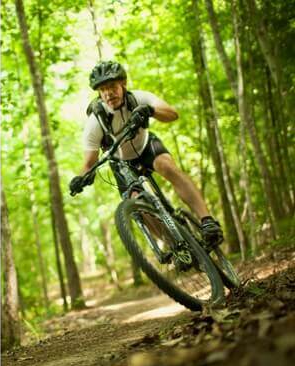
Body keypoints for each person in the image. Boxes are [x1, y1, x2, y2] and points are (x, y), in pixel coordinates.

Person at [69, 61, 223, 247]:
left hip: (146, 146)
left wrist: (150, 110)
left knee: (166, 166)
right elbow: (89, 163)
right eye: (103, 89)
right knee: (136, 202)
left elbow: (172, 114)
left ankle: (207, 221)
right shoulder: (95, 121)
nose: (108, 93)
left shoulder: (139, 98)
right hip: (121, 162)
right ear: (99, 94)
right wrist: (80, 178)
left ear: (123, 84)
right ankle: (175, 247)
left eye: (112, 86)